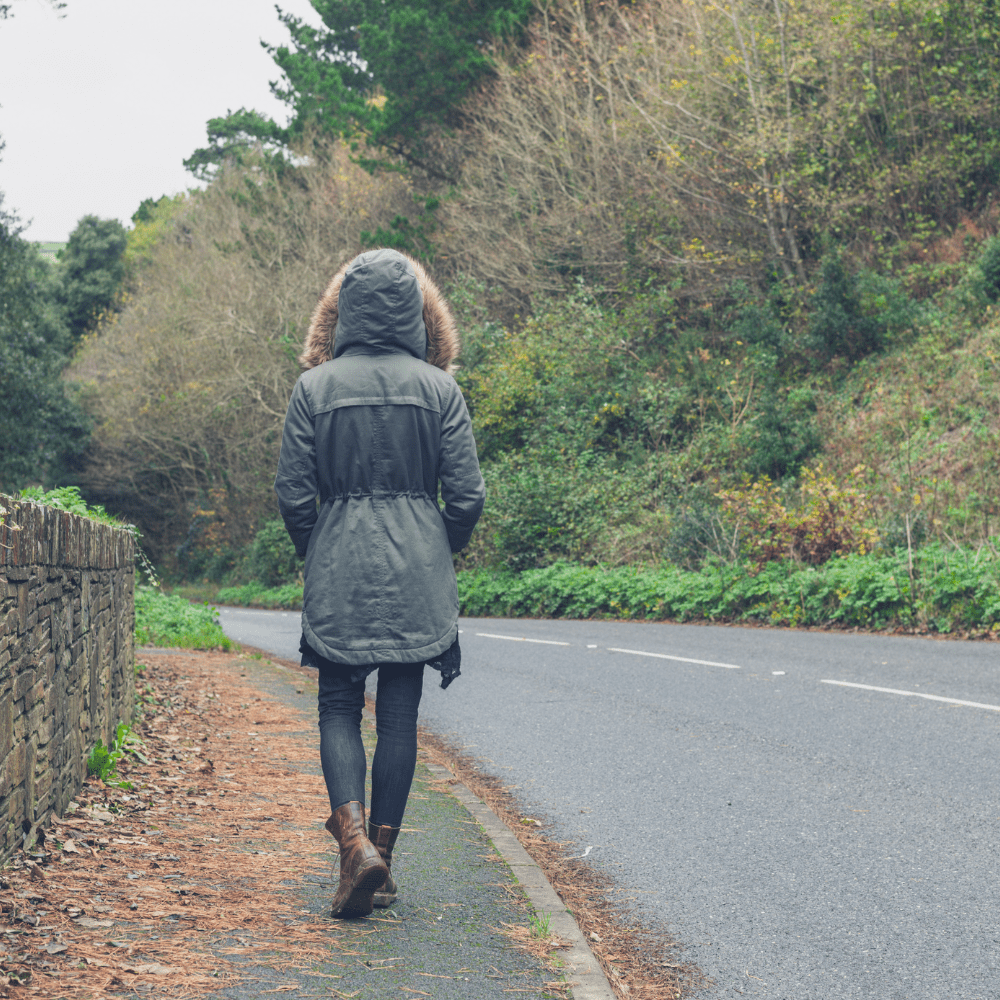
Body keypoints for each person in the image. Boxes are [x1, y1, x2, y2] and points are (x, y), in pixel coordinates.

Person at [274, 248, 485, 918]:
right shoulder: (440, 389)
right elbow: (469, 497)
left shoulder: (314, 389)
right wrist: (436, 547)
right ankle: (381, 861)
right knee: (398, 715)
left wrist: (321, 548)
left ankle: (353, 846)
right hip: (420, 576)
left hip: (339, 570)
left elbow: (292, 496)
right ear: (420, 316)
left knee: (338, 705)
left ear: (341, 314)